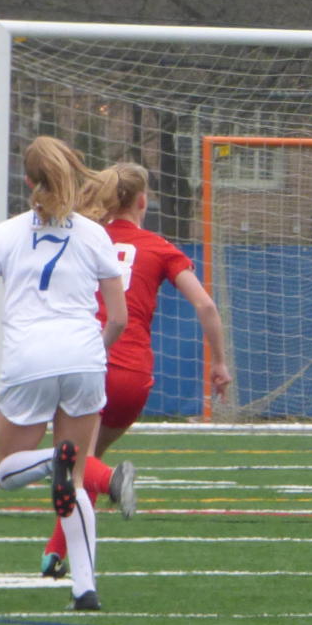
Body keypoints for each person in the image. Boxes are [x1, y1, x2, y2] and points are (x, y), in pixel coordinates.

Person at [37, 162, 232, 580]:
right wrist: (218, 363)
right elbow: (206, 305)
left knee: (73, 462)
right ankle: (55, 553)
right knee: (80, 464)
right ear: (143, 201)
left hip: (86, 362)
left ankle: (111, 481)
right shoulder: (160, 247)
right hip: (134, 377)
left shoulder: (84, 237)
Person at [0, 136, 128, 611]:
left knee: (4, 472)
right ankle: (85, 588)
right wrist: (93, 352)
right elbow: (117, 317)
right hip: (84, 358)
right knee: (75, 481)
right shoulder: (95, 234)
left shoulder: (9, 232)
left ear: (29, 181)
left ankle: (50, 462)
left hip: (30, 359)